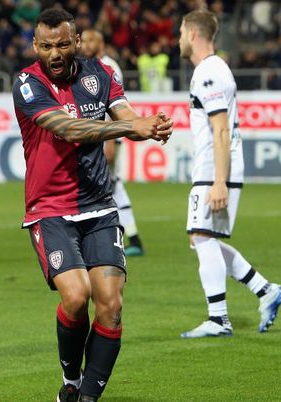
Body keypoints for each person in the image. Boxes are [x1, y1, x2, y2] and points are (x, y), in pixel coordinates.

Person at [11, 9, 172, 402]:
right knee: (76, 296)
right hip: (49, 208)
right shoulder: (27, 83)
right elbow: (68, 129)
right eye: (46, 45)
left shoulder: (100, 74)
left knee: (111, 305)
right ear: (35, 46)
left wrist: (146, 125)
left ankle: (85, 396)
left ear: (76, 41)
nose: (55, 53)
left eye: (62, 44)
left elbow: (126, 116)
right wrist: (127, 128)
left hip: (99, 206)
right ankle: (70, 377)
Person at [178, 9, 281, 338]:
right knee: (202, 238)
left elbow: (221, 128)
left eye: (182, 32)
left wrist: (219, 180)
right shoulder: (211, 69)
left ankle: (218, 318)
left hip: (216, 166)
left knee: (201, 237)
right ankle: (265, 289)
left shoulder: (209, 72)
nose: (179, 38)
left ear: (194, 34)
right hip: (215, 165)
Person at [80, 28, 145, 257]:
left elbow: (114, 105)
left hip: (109, 136)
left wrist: (113, 141)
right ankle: (132, 237)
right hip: (101, 136)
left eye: (90, 40)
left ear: (100, 42)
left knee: (111, 186)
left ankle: (122, 238)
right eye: (83, 40)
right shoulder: (90, 66)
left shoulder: (108, 66)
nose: (84, 44)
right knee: (114, 186)